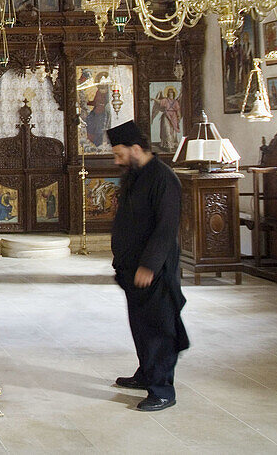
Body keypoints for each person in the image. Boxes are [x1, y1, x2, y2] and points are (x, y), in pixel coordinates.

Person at [107, 120, 189, 412]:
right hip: (132, 269)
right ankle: (146, 374)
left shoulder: (163, 178)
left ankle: (163, 390)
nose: (116, 160)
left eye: (119, 154)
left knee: (159, 329)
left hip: (154, 271)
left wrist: (150, 265)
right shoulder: (135, 174)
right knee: (141, 326)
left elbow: (166, 228)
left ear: (136, 148)